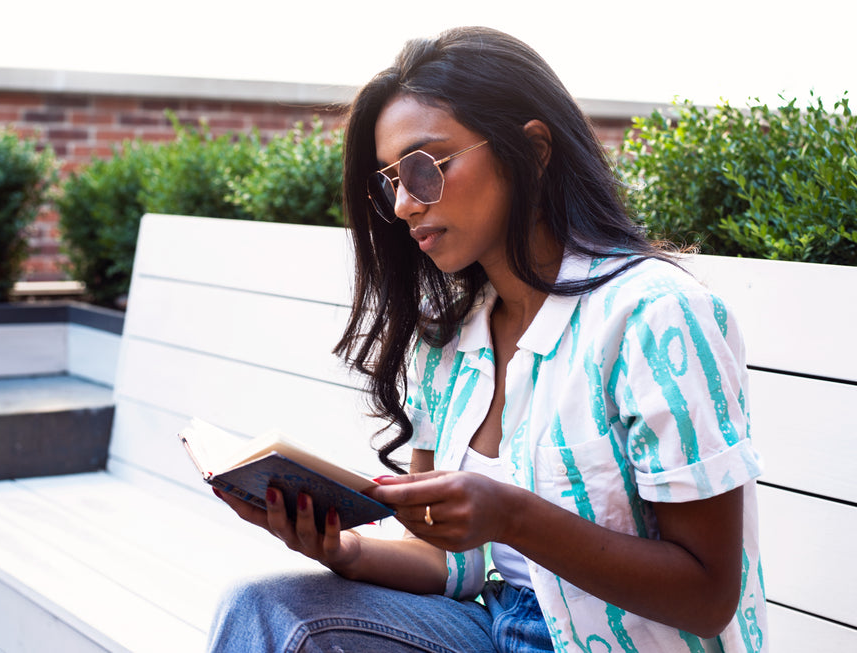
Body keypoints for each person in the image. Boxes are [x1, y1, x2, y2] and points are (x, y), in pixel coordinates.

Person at [208, 26, 767, 653]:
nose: (402, 205)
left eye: (423, 167)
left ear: (530, 151)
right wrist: (342, 546)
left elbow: (709, 596)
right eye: (390, 181)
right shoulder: (451, 338)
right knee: (263, 610)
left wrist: (513, 517)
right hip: (495, 628)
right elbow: (443, 560)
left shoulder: (653, 318)